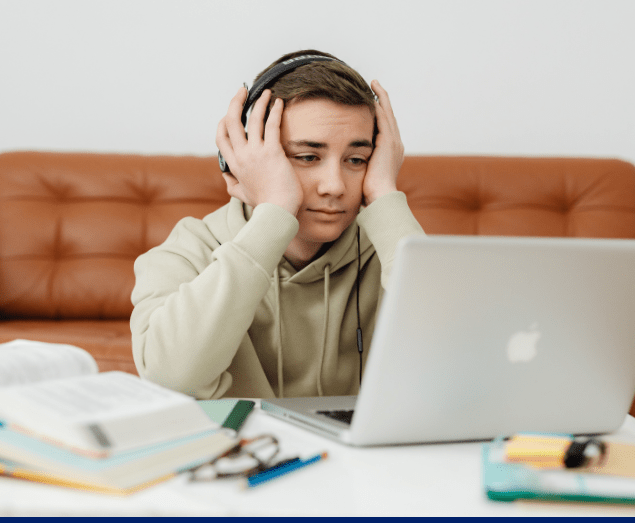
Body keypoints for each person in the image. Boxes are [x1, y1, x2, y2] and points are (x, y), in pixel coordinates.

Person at [130, 49, 424, 399]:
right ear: (242, 159)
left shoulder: (390, 249)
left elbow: (460, 365)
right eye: (307, 157)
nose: (335, 185)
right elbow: (171, 379)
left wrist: (385, 196)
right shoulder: (189, 250)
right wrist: (275, 212)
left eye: (356, 159)